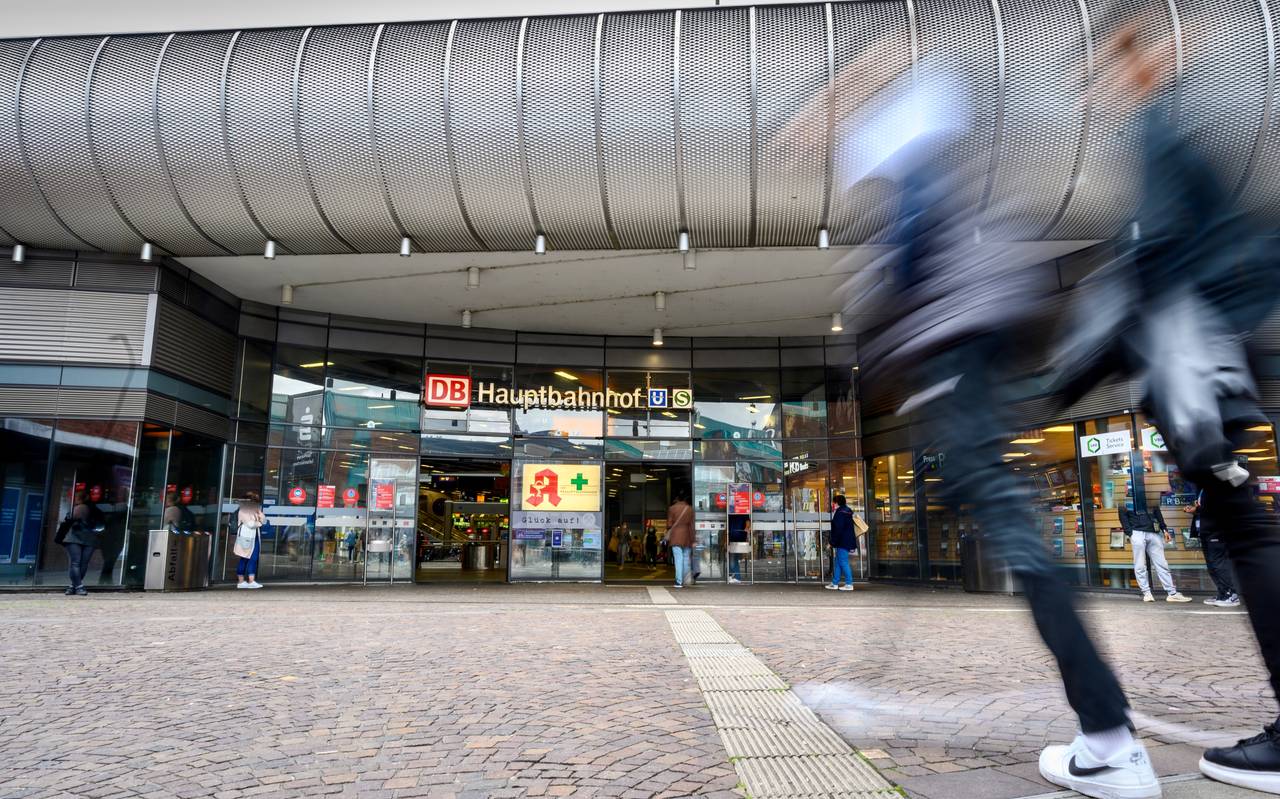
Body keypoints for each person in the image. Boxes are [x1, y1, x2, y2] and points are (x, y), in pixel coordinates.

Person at [1048, 11, 1280, 793]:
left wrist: (1090, 350)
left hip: (1194, 365)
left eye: (1103, 71)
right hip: (1216, 353)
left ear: (1137, 62)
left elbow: (1159, 255)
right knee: (1247, 530)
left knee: (1247, 534)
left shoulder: (1163, 130)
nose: (1096, 92)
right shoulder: (1184, 126)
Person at [1119, 503, 1192, 603]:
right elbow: (1123, 517)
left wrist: (1164, 530)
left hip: (1152, 532)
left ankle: (1172, 593)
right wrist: (1130, 533)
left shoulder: (1148, 495)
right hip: (1137, 532)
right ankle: (1147, 593)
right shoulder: (1125, 499)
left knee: (1162, 563)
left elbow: (1157, 513)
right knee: (1140, 564)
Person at [1187, 491, 1238, 607]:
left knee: (1218, 564)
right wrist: (1196, 509)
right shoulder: (1202, 490)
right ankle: (1223, 594)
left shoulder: (1215, 488)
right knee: (1212, 565)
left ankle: (1232, 595)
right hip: (1205, 532)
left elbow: (1215, 509)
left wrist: (1197, 509)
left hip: (1215, 532)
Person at [58, 490, 102, 596]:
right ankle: (77, 586)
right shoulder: (95, 509)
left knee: (75, 563)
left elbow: (68, 520)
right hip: (90, 537)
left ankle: (76, 586)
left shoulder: (78, 508)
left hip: (75, 537)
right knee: (83, 563)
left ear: (78, 498)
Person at [233, 493, 265, 589]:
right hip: (246, 538)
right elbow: (251, 524)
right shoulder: (243, 511)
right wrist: (259, 522)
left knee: (252, 559)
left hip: (254, 537)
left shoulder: (254, 510)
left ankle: (249, 581)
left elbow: (264, 520)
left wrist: (260, 515)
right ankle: (242, 581)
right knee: (245, 558)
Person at [827, 495, 858, 591]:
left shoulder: (840, 513)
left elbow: (838, 530)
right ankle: (835, 583)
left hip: (842, 542)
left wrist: (832, 542)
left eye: (833, 502)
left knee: (843, 562)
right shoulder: (847, 511)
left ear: (837, 503)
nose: (833, 504)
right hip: (846, 540)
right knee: (838, 562)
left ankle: (849, 583)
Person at [665, 492, 694, 588]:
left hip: (676, 536)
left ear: (676, 499)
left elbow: (669, 525)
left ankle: (679, 582)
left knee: (678, 559)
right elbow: (692, 526)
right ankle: (686, 580)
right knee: (686, 559)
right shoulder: (690, 509)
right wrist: (693, 539)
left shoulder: (672, 508)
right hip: (687, 537)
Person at [727, 517, 750, 584]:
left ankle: (736, 577)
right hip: (732, 538)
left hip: (737, 539)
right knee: (732, 559)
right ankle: (733, 576)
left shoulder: (742, 512)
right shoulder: (730, 514)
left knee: (733, 559)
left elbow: (747, 522)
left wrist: (747, 528)